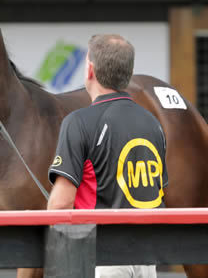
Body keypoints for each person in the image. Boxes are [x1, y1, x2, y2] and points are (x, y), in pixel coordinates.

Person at [47, 34, 167, 278]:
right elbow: (157, 191)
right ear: (128, 73)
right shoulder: (154, 124)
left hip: (102, 257)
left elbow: (59, 205)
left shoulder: (77, 122)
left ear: (90, 70)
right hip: (147, 259)